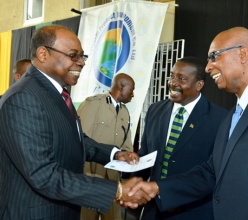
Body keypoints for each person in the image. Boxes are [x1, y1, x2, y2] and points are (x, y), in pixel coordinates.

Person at [126, 27, 248, 219]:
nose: (207, 67)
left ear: (243, 54)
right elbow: (211, 172)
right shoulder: (230, 117)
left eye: (214, 56)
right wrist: (157, 188)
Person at [0, 24, 145, 220]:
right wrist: (116, 190)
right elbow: (43, 175)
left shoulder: (56, 93)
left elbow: (74, 139)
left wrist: (114, 154)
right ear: (43, 54)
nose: (81, 63)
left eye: (82, 56)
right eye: (73, 55)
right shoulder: (23, 99)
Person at [133, 57, 227, 220]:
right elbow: (146, 157)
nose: (173, 83)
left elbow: (213, 173)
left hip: (193, 212)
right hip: (153, 211)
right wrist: (128, 177)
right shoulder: (155, 111)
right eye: (172, 76)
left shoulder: (220, 120)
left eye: (182, 79)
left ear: (199, 85)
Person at [77, 73, 135, 220]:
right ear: (121, 87)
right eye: (131, 90)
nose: (133, 94)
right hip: (91, 174)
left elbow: (126, 144)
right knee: (87, 216)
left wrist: (131, 160)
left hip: (113, 177)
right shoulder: (93, 104)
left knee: (114, 217)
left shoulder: (124, 112)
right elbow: (80, 140)